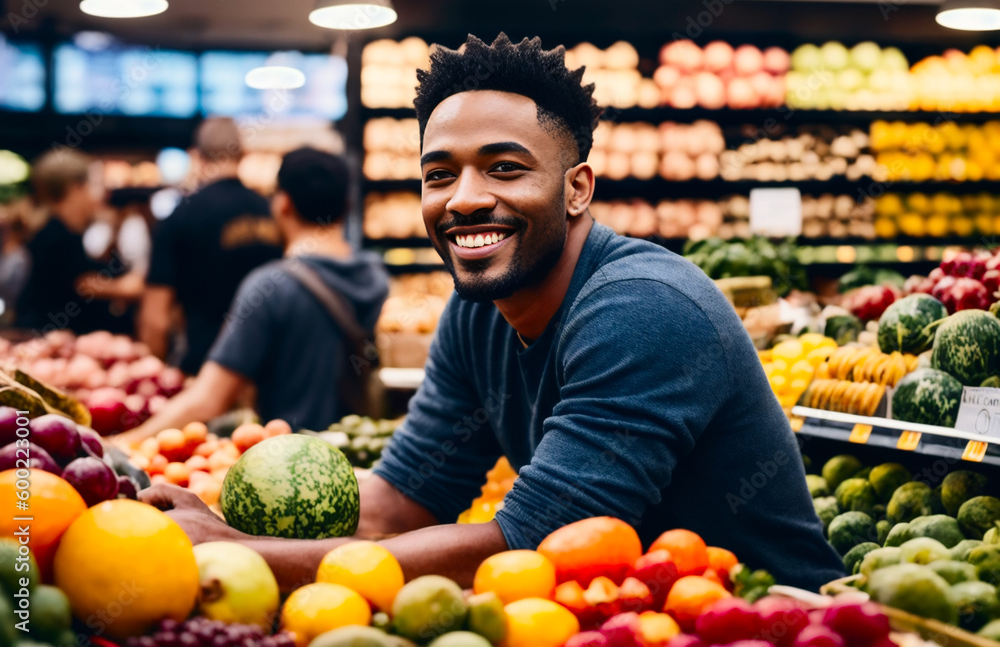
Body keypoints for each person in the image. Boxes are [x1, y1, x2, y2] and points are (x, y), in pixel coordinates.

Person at [141, 34, 844, 592]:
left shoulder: (643, 308)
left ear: (576, 190)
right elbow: (400, 500)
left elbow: (529, 542)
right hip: (620, 612)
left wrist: (247, 555)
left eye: (504, 168)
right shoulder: (477, 312)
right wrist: (220, 513)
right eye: (439, 173)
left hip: (770, 614)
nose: (464, 198)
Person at [119, 148, 389, 438]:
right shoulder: (375, 275)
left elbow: (209, 400)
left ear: (282, 205)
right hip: (358, 450)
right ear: (348, 205)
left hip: (289, 463)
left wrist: (126, 441)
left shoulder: (272, 286)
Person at [140, 117, 282, 375]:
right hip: (266, 368)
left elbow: (155, 319)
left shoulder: (180, 216)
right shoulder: (273, 212)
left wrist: (157, 382)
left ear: (197, 157)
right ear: (243, 155)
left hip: (204, 367)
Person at [14, 149, 143, 335]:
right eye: (96, 184)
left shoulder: (61, 229)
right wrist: (128, 286)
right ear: (76, 188)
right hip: (50, 341)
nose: (103, 193)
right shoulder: (56, 234)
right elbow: (83, 283)